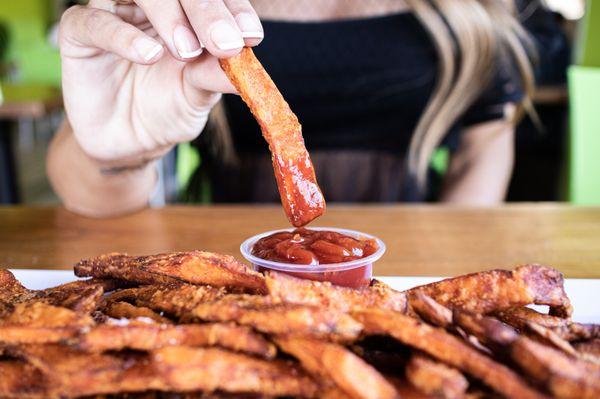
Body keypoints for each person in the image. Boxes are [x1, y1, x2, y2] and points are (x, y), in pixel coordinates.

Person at [48, 0, 534, 217]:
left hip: (415, 271)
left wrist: (437, 281)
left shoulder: (472, 12)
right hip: (229, 273)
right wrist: (122, 151)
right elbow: (89, 197)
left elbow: (484, 144)